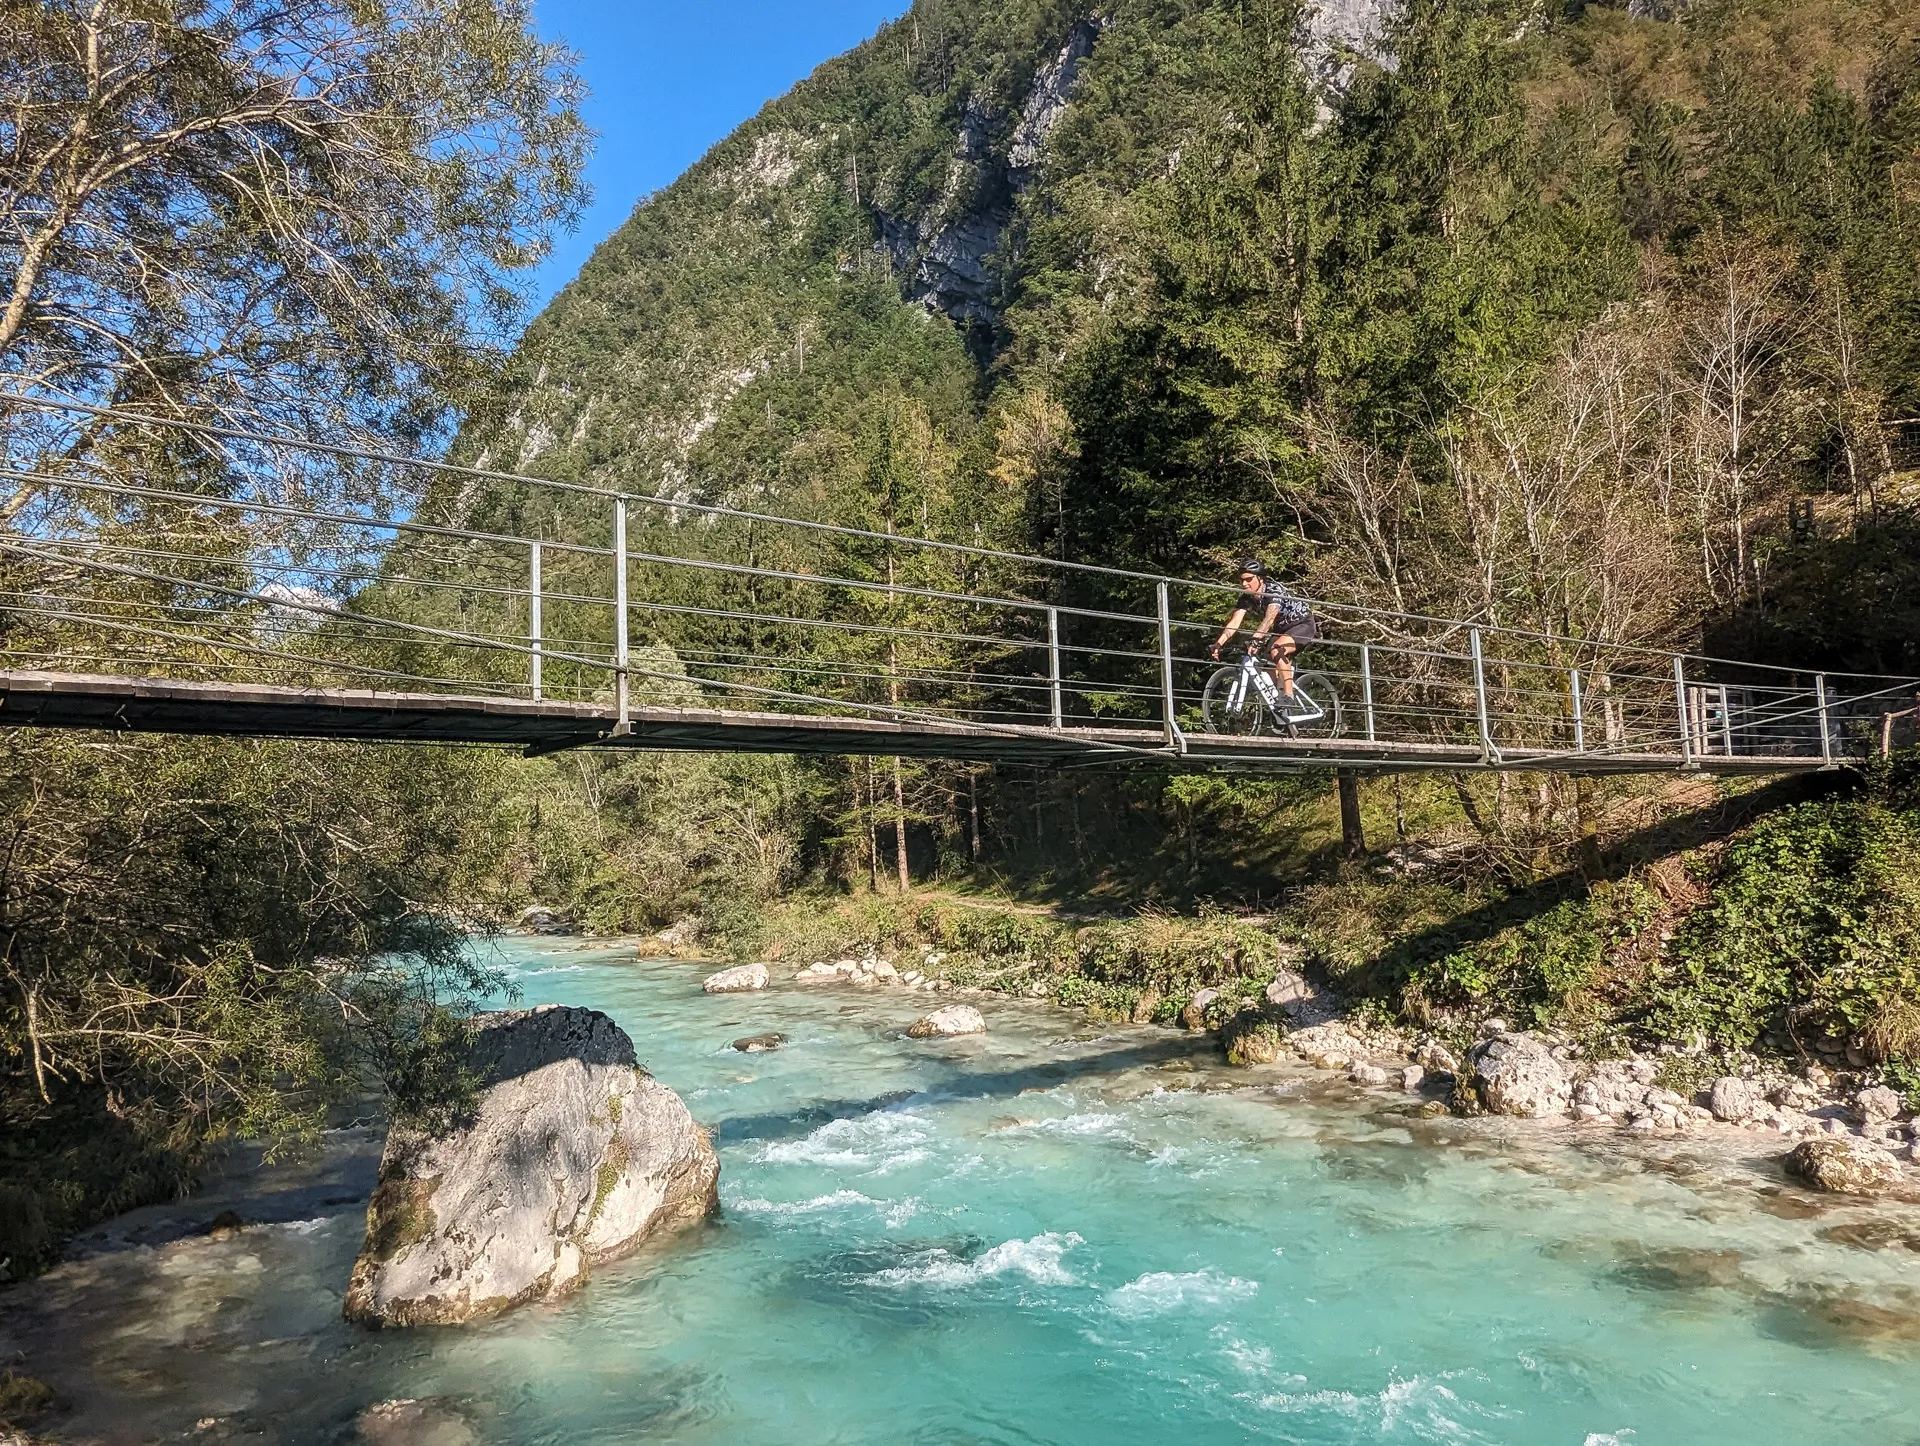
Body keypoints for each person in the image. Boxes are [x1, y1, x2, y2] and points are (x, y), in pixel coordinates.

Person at [1208, 559, 1319, 715]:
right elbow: (1235, 621)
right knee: (1266, 671)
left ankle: (1289, 695)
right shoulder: (1246, 599)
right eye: (1242, 580)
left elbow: (1269, 618)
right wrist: (1218, 644)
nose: (1245, 584)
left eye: (1249, 579)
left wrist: (1256, 638)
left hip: (1302, 624)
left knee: (1277, 649)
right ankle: (1282, 713)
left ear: (1260, 579)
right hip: (1281, 630)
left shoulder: (1273, 590)